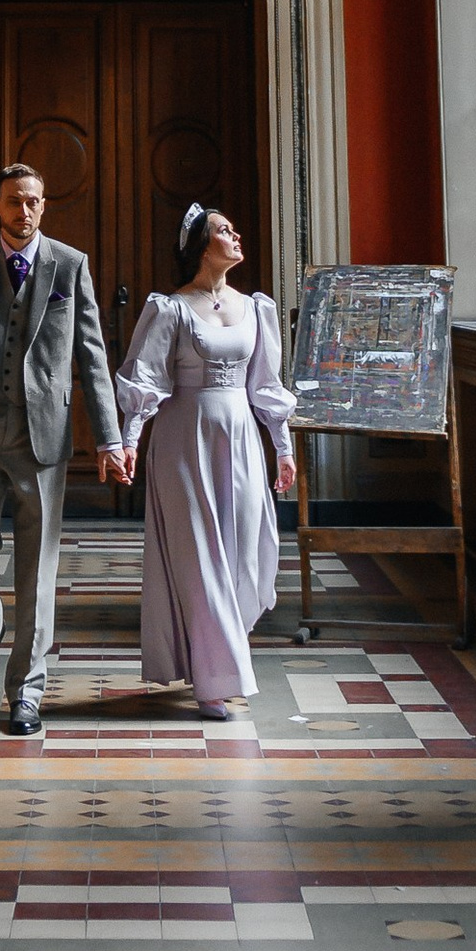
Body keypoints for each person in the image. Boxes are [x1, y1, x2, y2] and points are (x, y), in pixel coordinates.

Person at [0, 160, 126, 735]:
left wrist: (109, 437)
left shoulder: (70, 266)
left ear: (44, 205)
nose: (25, 210)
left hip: (42, 440)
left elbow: (92, 356)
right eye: (15, 200)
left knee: (38, 570)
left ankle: (27, 692)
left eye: (34, 201)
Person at [113, 204, 297, 719]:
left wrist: (281, 447)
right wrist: (130, 439)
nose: (236, 234)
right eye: (224, 229)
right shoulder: (169, 309)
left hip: (238, 439)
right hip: (182, 440)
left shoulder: (257, 307)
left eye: (234, 228)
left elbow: (266, 385)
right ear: (201, 244)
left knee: (243, 550)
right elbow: (144, 379)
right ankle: (216, 680)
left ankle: (214, 658)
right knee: (200, 557)